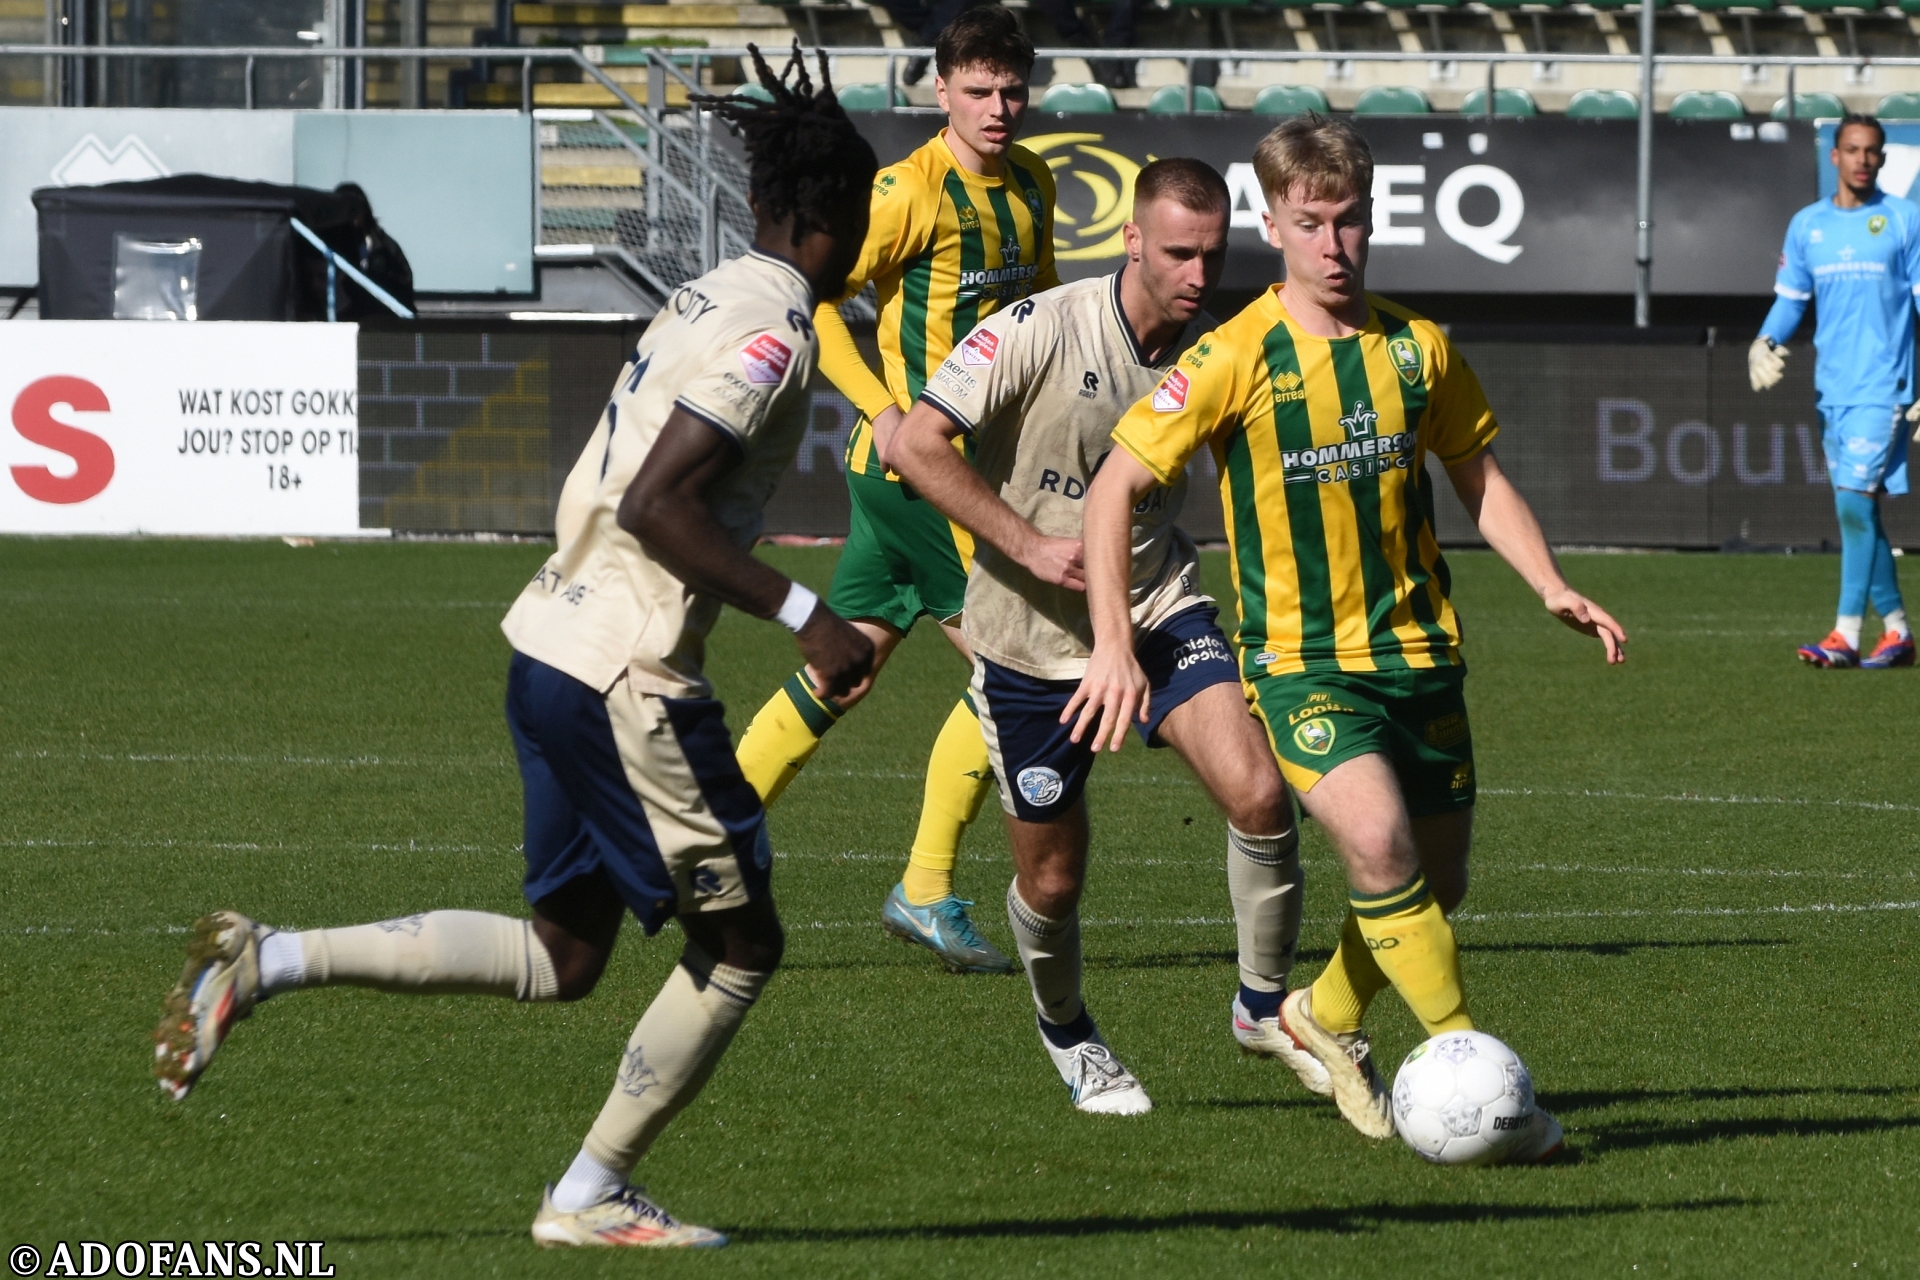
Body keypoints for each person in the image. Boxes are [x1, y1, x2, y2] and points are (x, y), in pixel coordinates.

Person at [151, 47, 879, 1249]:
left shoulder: (705, 293)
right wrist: (810, 615)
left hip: (550, 643)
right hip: (626, 674)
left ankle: (265, 958)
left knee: (567, 951)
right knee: (743, 943)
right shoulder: (775, 333)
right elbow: (661, 503)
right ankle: (588, 1197)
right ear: (836, 220)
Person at [1074, 115, 1628, 1159]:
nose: (1334, 245)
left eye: (1350, 222)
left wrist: (1549, 581)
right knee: (1377, 846)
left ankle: (1317, 1012)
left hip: (1421, 656)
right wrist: (1113, 638)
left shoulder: (1419, 349)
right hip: (1300, 664)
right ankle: (1483, 1082)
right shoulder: (1233, 355)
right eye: (1310, 223)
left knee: (1437, 881)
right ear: (1274, 223)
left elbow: (1479, 474)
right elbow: (1113, 489)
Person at [887, 158, 1329, 1113]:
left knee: (1258, 794)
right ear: (1131, 238)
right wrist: (1025, 546)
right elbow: (911, 443)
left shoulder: (1218, 349)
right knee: (1051, 881)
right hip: (1029, 644)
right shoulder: (1040, 326)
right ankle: (1070, 1035)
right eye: (1178, 253)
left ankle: (1261, 1006)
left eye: (1213, 255)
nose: (1198, 276)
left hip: (1157, 606)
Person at [733, 5, 1059, 975]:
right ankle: (922, 885)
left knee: (848, 663)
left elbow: (1036, 308)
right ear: (940, 89)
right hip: (926, 473)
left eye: (1011, 91)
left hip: (956, 470)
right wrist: (881, 410)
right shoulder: (908, 193)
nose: (998, 108)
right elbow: (817, 302)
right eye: (979, 91)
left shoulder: (1033, 180)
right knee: (1020, 672)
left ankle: (694, 844)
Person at [1752, 112, 1915, 670]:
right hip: (1834, 391)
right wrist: (1766, 338)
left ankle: (1844, 635)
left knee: (1852, 504)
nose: (1862, 160)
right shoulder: (1807, 226)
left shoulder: (1904, 220)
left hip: (1885, 385)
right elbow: (1792, 297)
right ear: (1835, 156)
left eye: (1872, 151)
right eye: (1853, 150)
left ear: (1883, 158)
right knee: (1861, 512)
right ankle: (1897, 633)